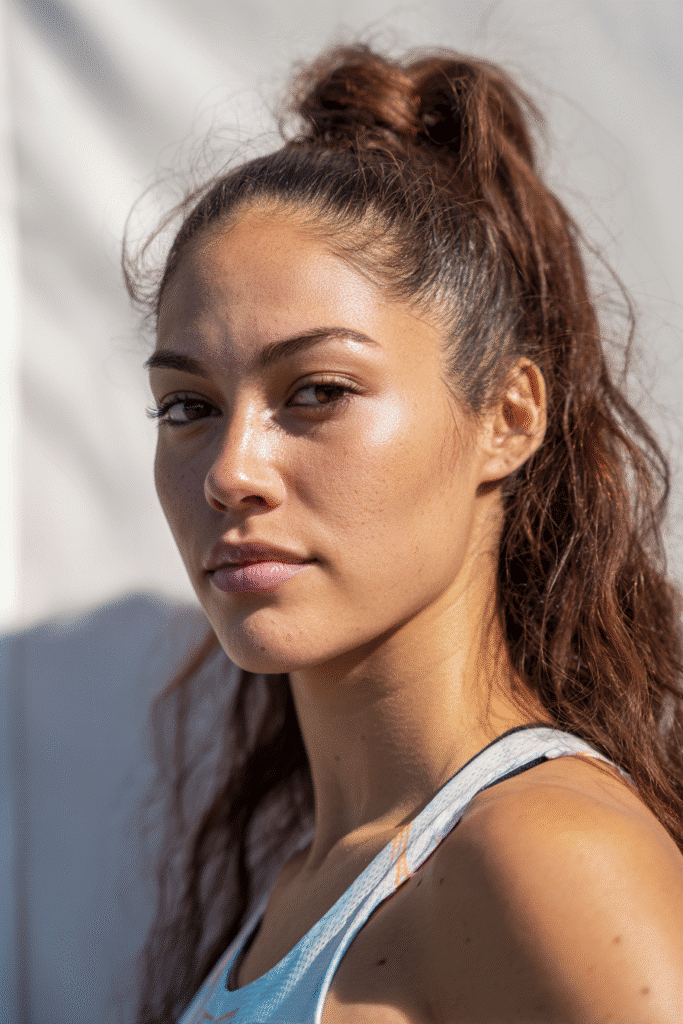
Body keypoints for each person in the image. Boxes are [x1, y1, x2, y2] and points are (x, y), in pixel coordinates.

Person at [123, 42, 683, 1024]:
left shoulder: (545, 857)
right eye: (186, 407)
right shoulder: (309, 883)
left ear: (507, 416)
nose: (229, 472)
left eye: (317, 392)